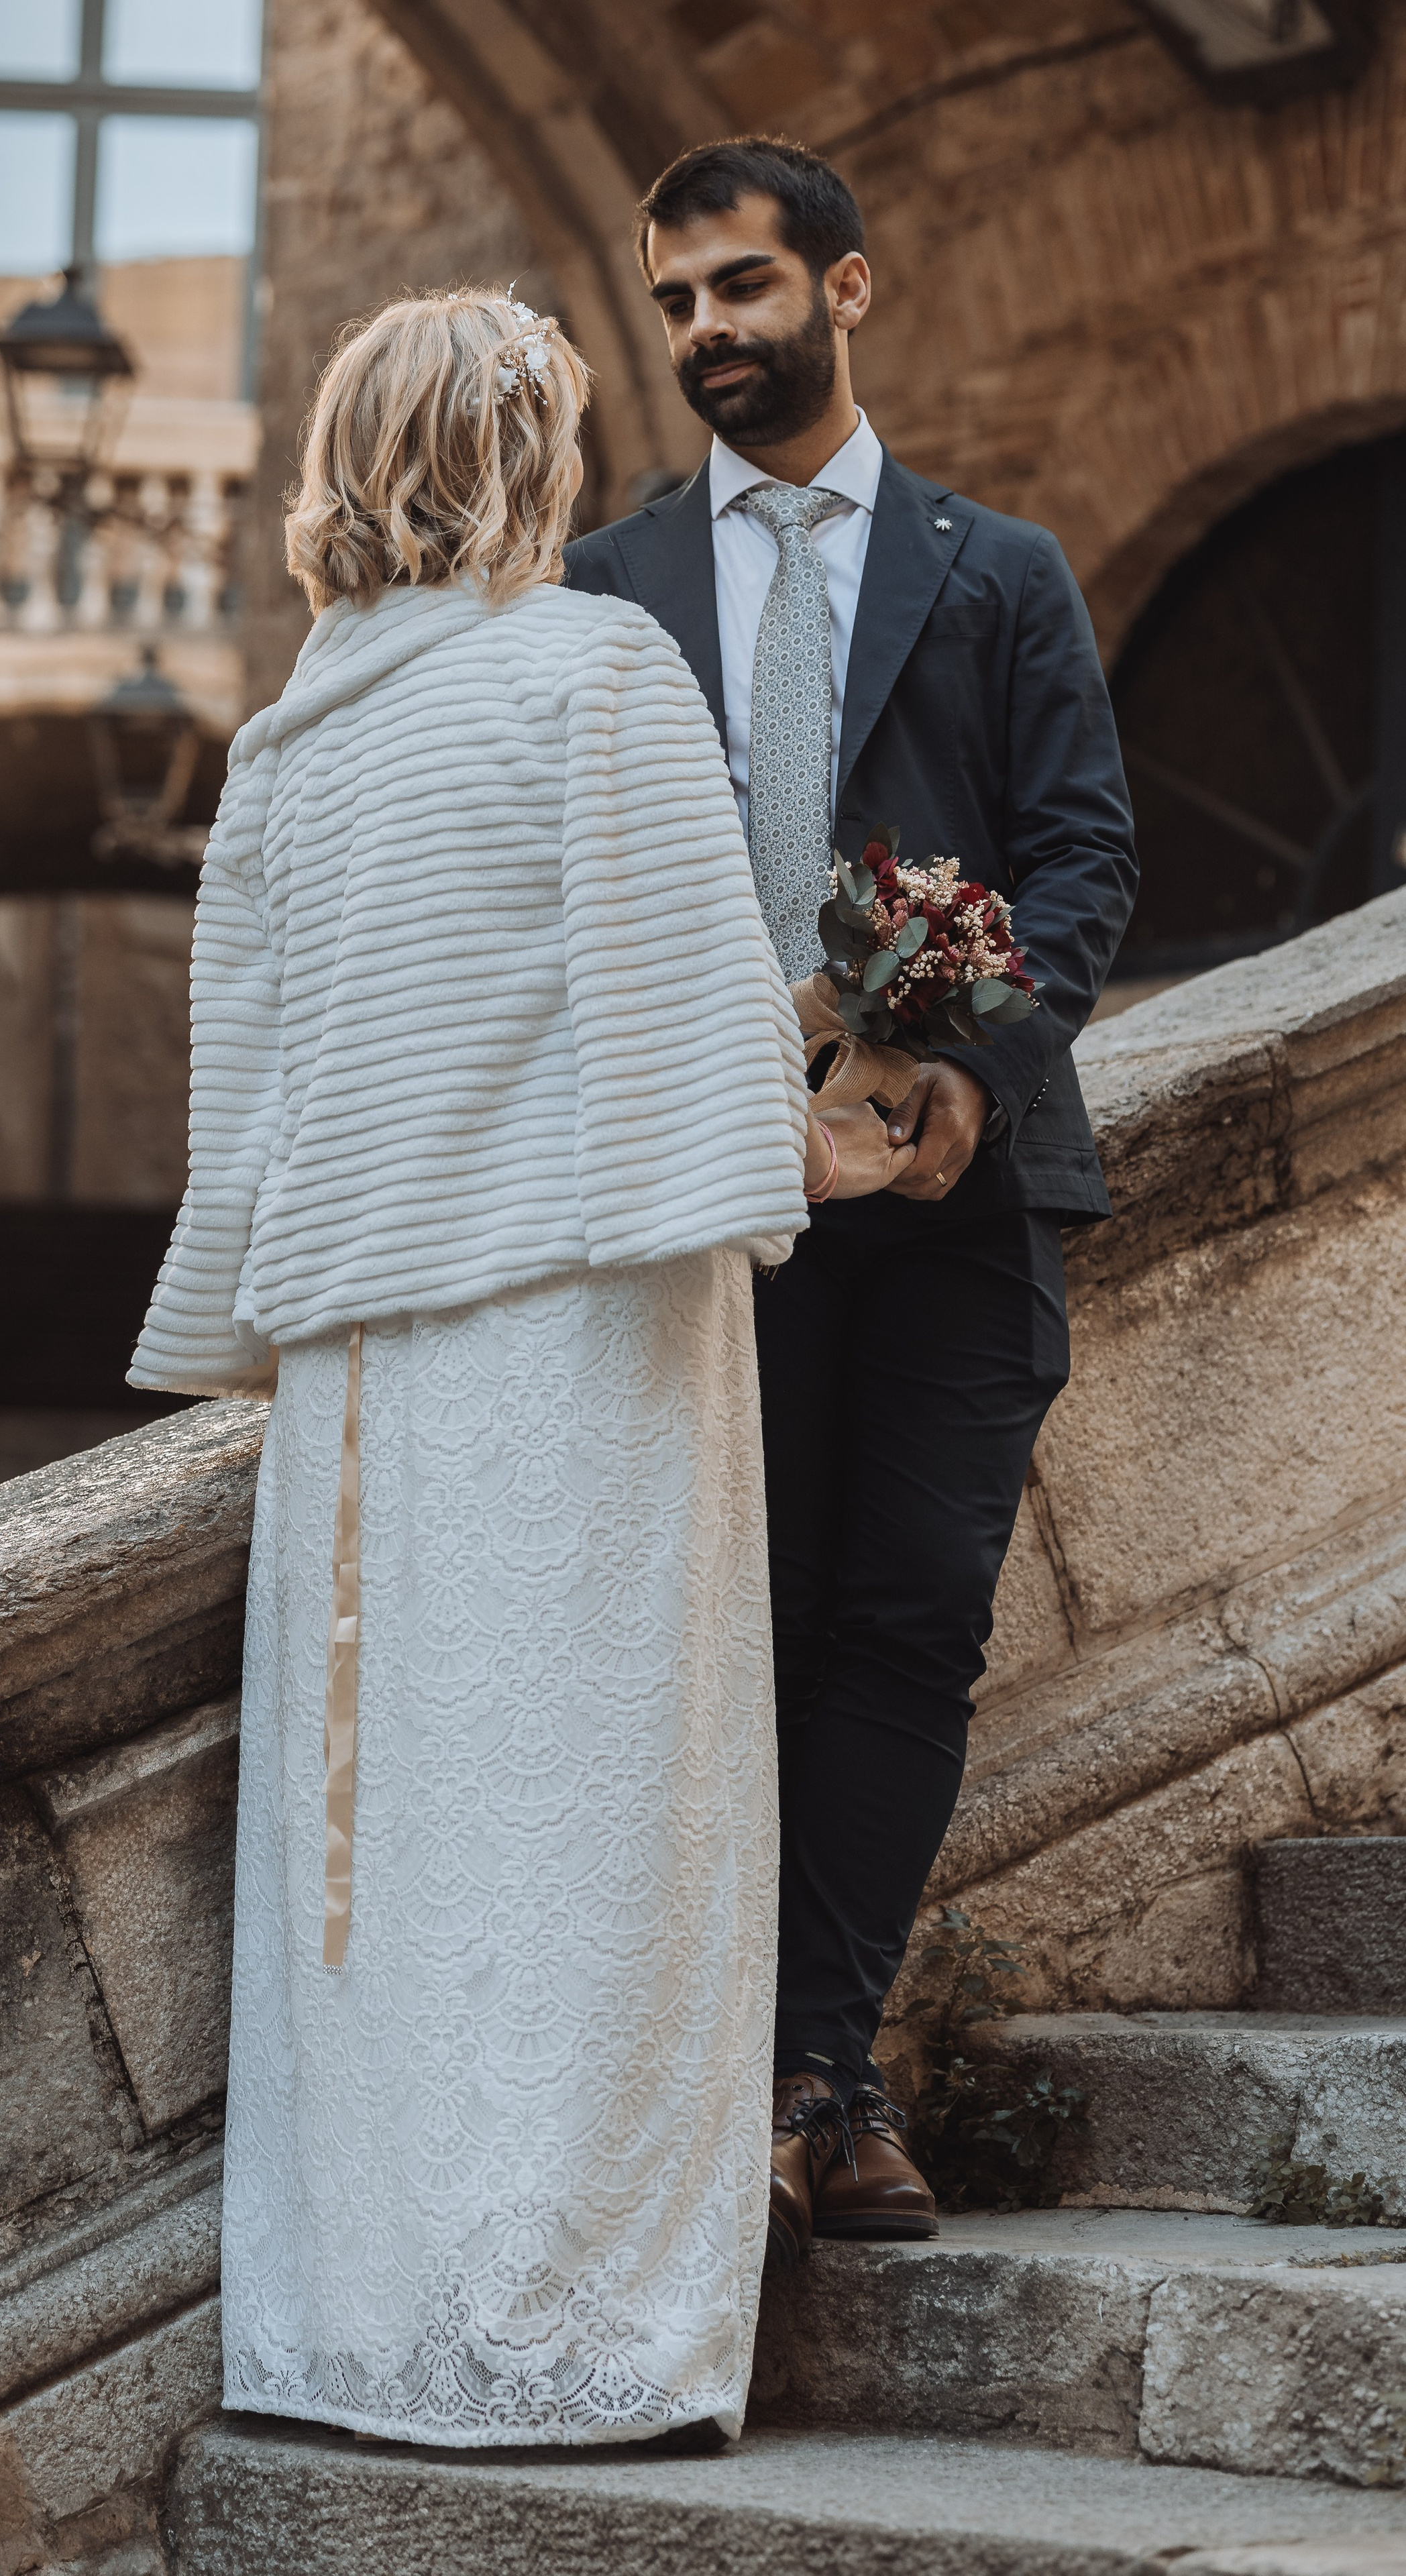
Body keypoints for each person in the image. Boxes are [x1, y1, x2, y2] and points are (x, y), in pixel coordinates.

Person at [129, 289, 913, 2446]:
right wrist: (829, 1132)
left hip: (366, 1390)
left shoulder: (292, 744)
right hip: (578, 1354)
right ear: (521, 460)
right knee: (603, 1831)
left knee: (380, 1853)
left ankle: (361, 2329)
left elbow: (258, 1110)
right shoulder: (591, 670)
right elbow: (681, 1029)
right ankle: (573, 2331)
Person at [565, 137, 1138, 2269]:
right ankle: (725, 2081)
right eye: (679, 302)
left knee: (909, 1616)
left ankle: (826, 2077)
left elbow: (1083, 862)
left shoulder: (1003, 575)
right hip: (711, 1205)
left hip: (964, 1208)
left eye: (743, 287)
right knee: (732, 1640)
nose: (711, 330)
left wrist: (966, 1065)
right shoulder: (603, 593)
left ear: (848, 289)